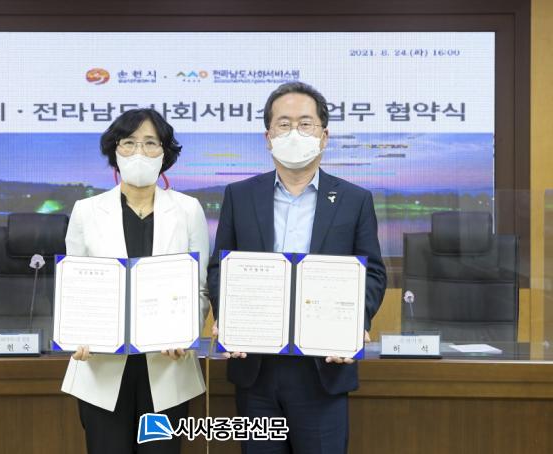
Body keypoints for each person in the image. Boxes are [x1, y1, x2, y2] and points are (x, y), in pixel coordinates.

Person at [207, 82, 387, 454]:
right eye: (284, 124)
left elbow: (372, 273)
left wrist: (354, 324)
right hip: (255, 367)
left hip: (323, 369)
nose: (294, 133)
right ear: (268, 137)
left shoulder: (354, 199)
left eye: (305, 124)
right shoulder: (240, 196)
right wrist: (229, 317)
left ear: (324, 136)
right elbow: (220, 268)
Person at [61, 108, 209, 454]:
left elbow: (200, 287)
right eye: (128, 143)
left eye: (150, 143)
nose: (139, 152)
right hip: (101, 367)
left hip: (168, 365)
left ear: (164, 152)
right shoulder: (86, 211)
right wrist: (76, 334)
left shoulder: (188, 210)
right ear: (114, 150)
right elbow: (75, 289)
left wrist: (185, 333)